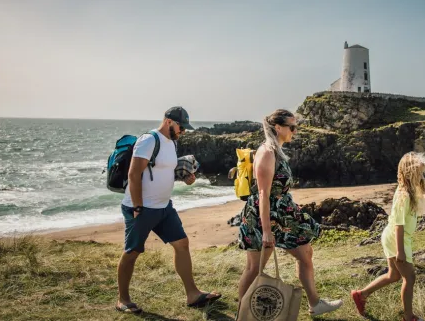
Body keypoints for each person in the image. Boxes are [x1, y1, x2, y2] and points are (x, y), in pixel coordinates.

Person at [237, 109, 343, 317]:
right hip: (263, 217)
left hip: (284, 215)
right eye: (292, 127)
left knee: (305, 253)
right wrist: (267, 231)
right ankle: (241, 314)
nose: (295, 131)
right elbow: (263, 194)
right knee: (254, 269)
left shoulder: (277, 151)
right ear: (278, 128)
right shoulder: (268, 152)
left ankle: (315, 304)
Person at [115, 106, 221, 314]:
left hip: (164, 207)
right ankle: (123, 300)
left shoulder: (171, 143)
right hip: (142, 208)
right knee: (132, 252)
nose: (183, 131)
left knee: (182, 243)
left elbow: (163, 171)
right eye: (181, 127)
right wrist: (137, 206)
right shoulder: (148, 140)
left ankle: (192, 295)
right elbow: (134, 174)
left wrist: (185, 177)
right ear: (169, 122)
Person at [351, 151, 425, 321]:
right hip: (396, 238)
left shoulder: (408, 191)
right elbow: (398, 225)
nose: (420, 176)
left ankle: (361, 295)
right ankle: (409, 317)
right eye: (418, 173)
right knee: (410, 277)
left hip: (394, 237)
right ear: (409, 173)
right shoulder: (404, 195)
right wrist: (400, 251)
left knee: (393, 275)